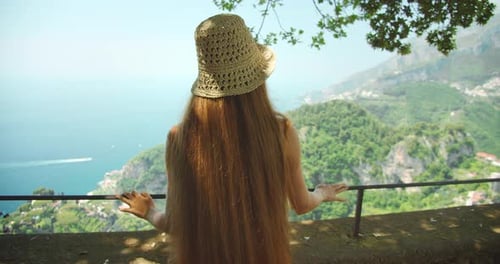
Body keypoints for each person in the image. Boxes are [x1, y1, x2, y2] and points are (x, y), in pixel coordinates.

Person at [118, 13, 348, 264]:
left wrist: (150, 211)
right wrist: (323, 193)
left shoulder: (179, 138)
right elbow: (302, 204)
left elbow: (174, 223)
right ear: (258, 78)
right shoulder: (281, 132)